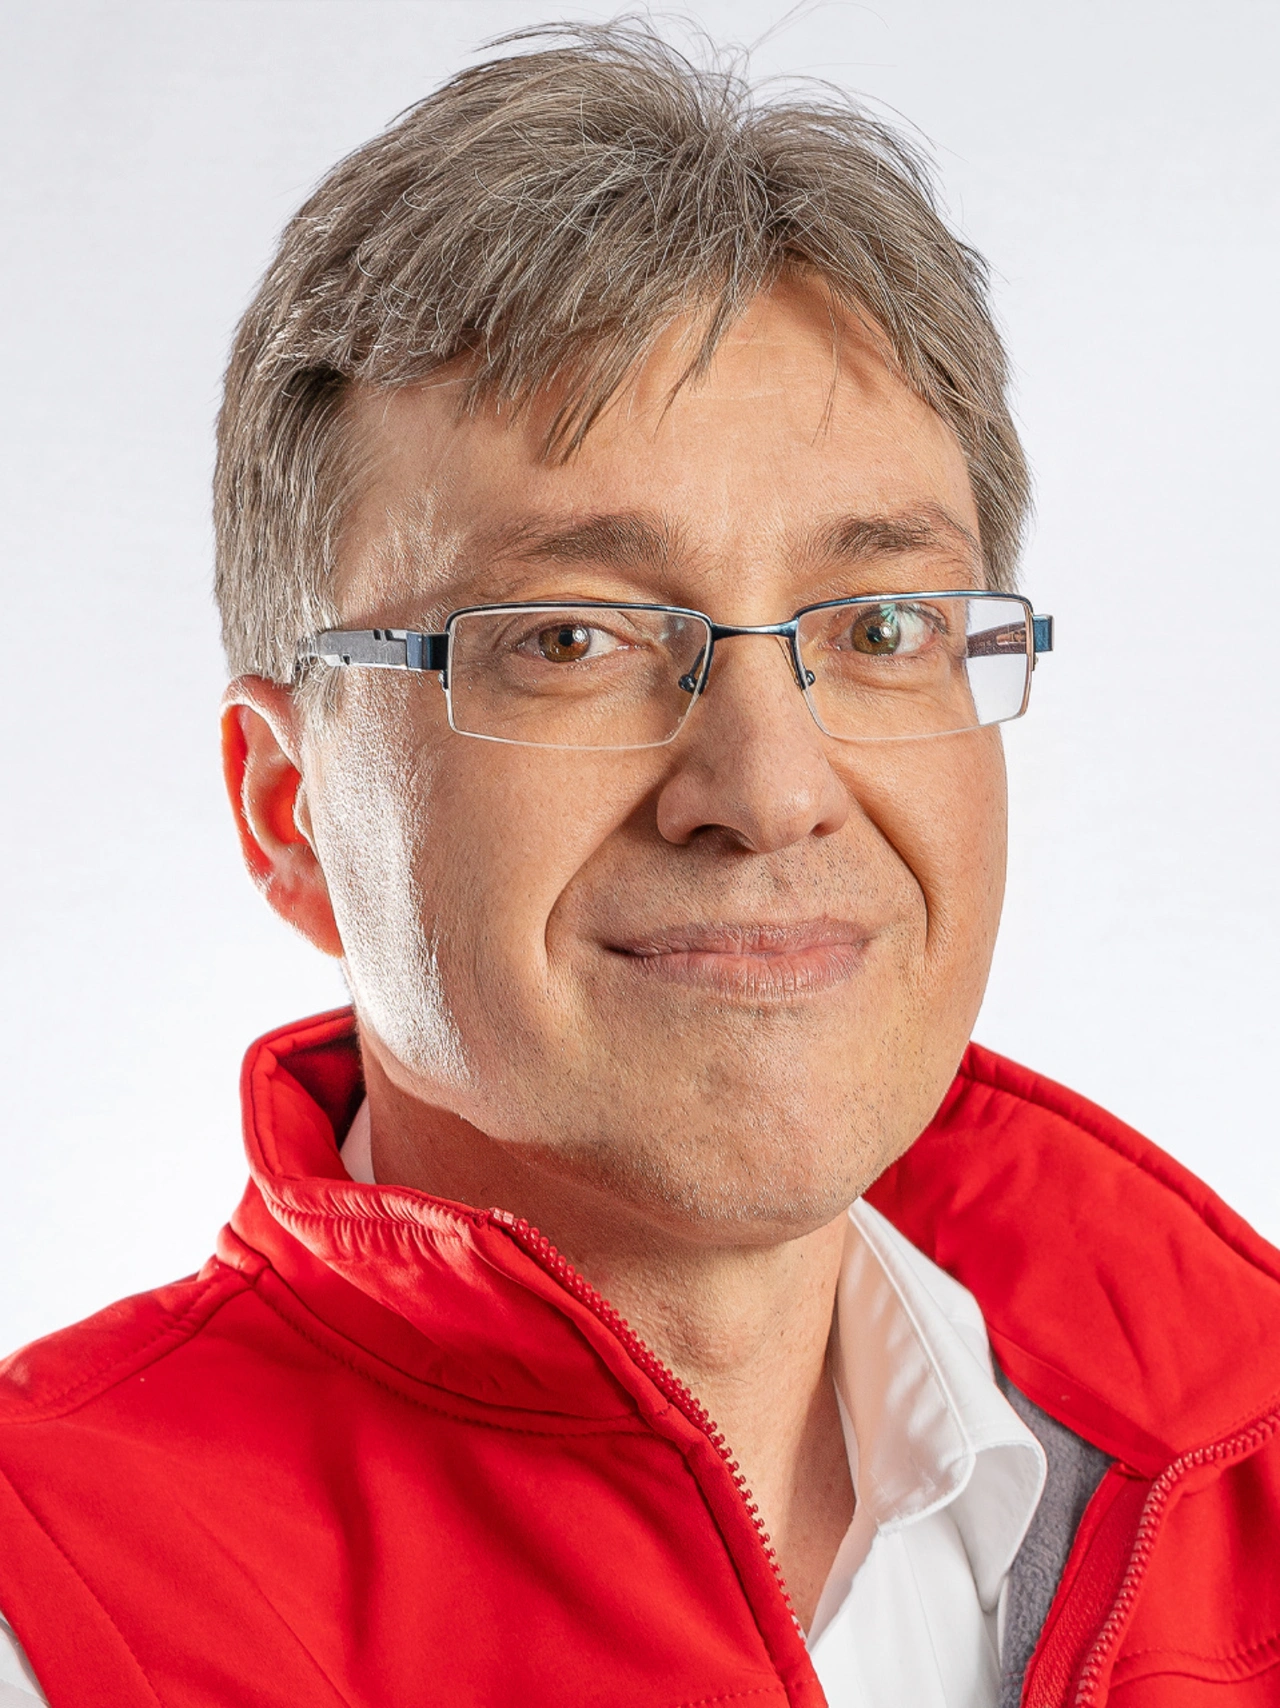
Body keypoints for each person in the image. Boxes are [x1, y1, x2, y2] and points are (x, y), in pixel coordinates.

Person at [2, 21, 1277, 1708]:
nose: (769, 789)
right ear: (289, 811)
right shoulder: (51, 1608)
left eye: (883, 628)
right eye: (571, 638)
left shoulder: (1240, 1472)